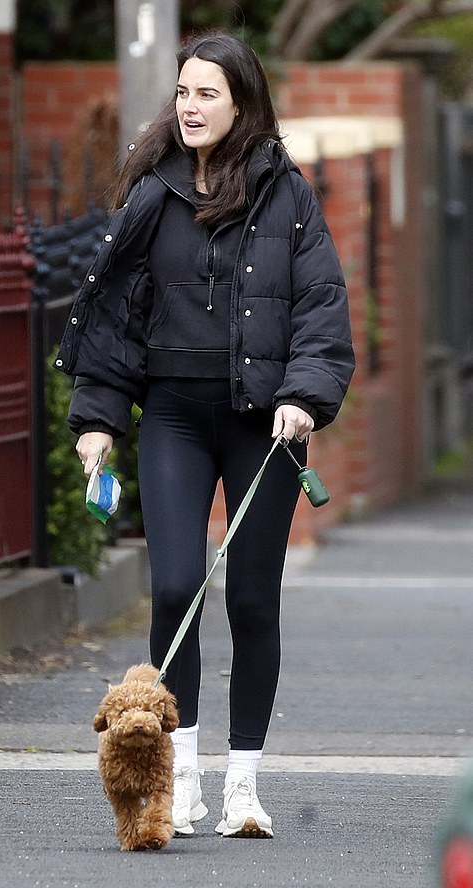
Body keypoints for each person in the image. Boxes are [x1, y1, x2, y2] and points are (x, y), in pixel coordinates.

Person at [54, 32, 355, 839]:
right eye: (183, 92)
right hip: (176, 417)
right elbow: (116, 312)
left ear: (241, 102)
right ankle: (178, 780)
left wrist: (305, 396)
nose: (189, 106)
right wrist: (98, 420)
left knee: (254, 601)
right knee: (177, 586)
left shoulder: (287, 194)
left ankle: (243, 786)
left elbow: (322, 308)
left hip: (266, 425)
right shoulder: (152, 190)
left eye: (207, 93)